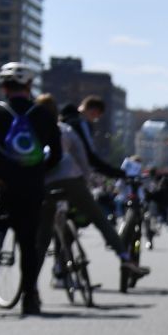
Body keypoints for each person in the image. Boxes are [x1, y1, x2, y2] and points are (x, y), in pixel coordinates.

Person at [0, 64, 62, 314]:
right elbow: (56, 155)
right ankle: (30, 295)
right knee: (27, 242)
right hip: (30, 187)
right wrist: (37, 171)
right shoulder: (44, 115)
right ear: (29, 86)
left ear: (3, 87)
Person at [44, 95, 149, 283]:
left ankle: (40, 282)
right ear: (93, 110)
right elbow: (88, 158)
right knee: (98, 219)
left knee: (49, 230)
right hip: (72, 180)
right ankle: (125, 258)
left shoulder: (57, 124)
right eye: (96, 116)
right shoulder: (77, 125)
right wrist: (116, 173)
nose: (95, 119)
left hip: (46, 180)